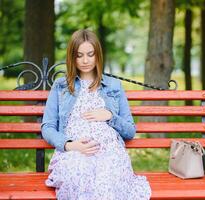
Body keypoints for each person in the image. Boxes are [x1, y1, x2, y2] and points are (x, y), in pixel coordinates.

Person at [41, 29, 151, 200]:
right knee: (78, 175)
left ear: (97, 55)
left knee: (105, 182)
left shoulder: (113, 86)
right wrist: (70, 145)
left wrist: (109, 116)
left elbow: (130, 131)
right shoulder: (61, 86)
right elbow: (47, 127)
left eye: (90, 54)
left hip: (110, 154)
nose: (85, 60)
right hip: (74, 153)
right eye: (79, 55)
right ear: (72, 57)